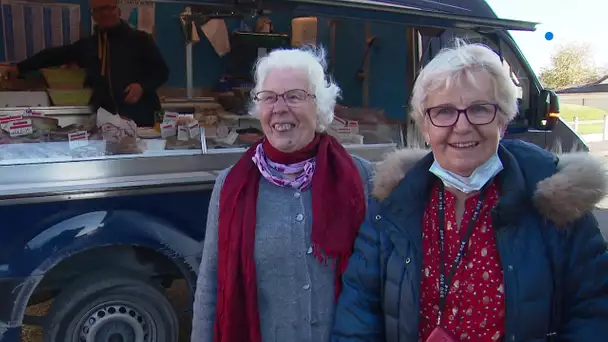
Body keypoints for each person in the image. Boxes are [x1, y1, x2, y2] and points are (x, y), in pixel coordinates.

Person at [331, 41, 608, 342]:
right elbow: (358, 316)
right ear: (425, 127)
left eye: (479, 109)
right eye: (444, 111)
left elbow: (594, 311)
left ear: (503, 122)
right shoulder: (392, 203)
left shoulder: (556, 202)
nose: (462, 126)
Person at [190, 47, 373, 342]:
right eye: (269, 97)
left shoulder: (361, 177)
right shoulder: (231, 187)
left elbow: (382, 282)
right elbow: (211, 284)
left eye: (294, 96)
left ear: (320, 106)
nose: (279, 108)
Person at [5, 0, 168, 126]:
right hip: (109, 124)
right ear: (93, 15)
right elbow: (53, 55)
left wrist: (142, 86)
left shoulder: (140, 39)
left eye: (109, 7)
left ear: (118, 10)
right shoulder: (88, 46)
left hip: (144, 121)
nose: (106, 13)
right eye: (99, 9)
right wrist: (20, 68)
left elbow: (161, 71)